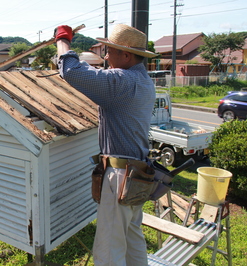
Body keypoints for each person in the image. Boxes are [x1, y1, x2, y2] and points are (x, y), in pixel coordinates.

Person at [54, 24, 158, 266]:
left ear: (127, 55)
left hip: (121, 177)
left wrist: (63, 40)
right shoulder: (142, 81)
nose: (106, 56)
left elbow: (71, 71)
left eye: (109, 51)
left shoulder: (122, 81)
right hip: (138, 175)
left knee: (108, 250)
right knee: (132, 239)